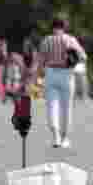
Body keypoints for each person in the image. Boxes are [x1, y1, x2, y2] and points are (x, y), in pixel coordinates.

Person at [35, 17, 87, 149]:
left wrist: (38, 76)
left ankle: (55, 136)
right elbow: (83, 56)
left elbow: (40, 61)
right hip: (67, 74)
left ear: (52, 27)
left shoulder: (47, 40)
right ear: (64, 27)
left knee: (52, 106)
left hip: (51, 73)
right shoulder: (70, 39)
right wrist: (72, 59)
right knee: (66, 107)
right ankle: (65, 138)